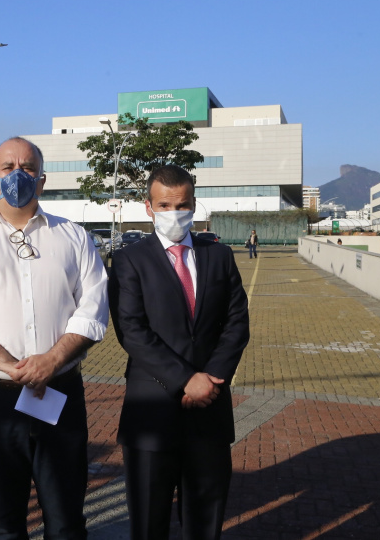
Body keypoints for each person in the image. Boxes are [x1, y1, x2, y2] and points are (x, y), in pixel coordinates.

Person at [0, 137, 109, 539]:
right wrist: (13, 367)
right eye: (8, 166)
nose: (18, 174)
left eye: (28, 167)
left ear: (42, 180)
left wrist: (49, 362)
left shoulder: (74, 237)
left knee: (66, 521)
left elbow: (94, 308)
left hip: (59, 392)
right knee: (3, 522)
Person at [108, 165, 250, 540]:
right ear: (149, 206)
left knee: (206, 520)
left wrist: (211, 378)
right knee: (149, 522)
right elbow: (132, 332)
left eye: (182, 204)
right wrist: (187, 380)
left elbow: (237, 324)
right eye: (165, 204)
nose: (175, 212)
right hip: (152, 411)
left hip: (210, 409)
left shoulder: (220, 257)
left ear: (194, 204)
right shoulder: (128, 261)